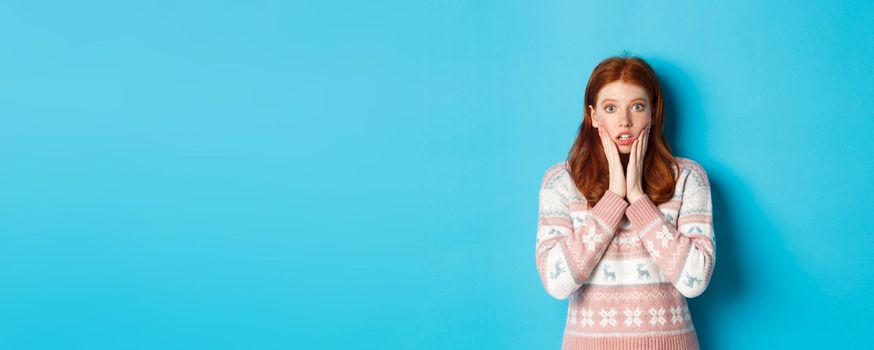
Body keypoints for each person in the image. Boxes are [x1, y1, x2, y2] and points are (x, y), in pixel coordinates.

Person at [534, 54, 715, 350]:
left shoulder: (688, 178)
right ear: (593, 115)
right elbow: (558, 283)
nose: (624, 121)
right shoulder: (560, 182)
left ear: (653, 112)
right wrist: (614, 198)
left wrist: (638, 199)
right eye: (610, 108)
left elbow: (694, 281)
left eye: (637, 106)